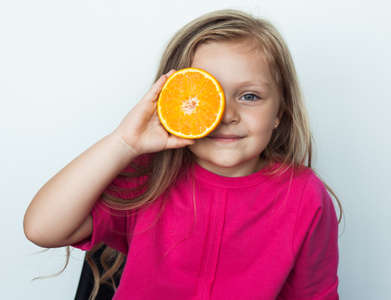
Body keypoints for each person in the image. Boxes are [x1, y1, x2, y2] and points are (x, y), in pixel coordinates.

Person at [23, 8, 343, 300]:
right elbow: (42, 229)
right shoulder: (150, 179)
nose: (226, 114)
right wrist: (124, 143)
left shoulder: (305, 197)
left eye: (249, 96)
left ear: (279, 112)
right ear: (172, 103)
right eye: (205, 96)